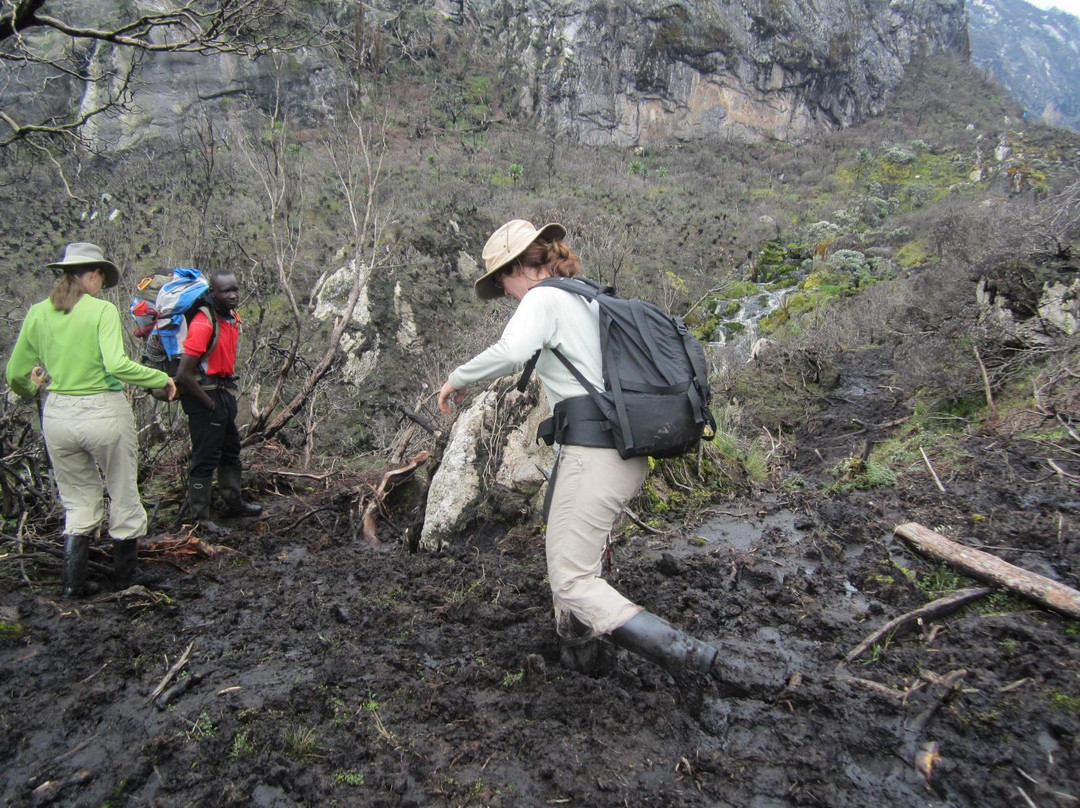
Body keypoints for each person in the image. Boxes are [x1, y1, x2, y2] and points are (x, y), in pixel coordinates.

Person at [437, 220, 725, 699]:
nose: (504, 293)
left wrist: (456, 379)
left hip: (596, 455)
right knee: (566, 553)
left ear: (518, 268)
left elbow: (513, 350)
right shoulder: (586, 298)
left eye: (501, 281)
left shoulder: (543, 299)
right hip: (615, 451)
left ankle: (687, 656)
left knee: (572, 579)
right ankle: (582, 660)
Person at [5, 242, 177, 597]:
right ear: (95, 275)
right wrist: (160, 378)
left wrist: (30, 387)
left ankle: (74, 586)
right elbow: (116, 365)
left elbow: (15, 374)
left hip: (58, 414)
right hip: (103, 411)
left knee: (79, 502)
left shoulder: (38, 313)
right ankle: (126, 581)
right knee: (123, 493)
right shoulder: (102, 310)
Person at [175, 271, 261, 529]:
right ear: (213, 293)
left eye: (235, 289)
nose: (233, 295)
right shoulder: (204, 323)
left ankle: (234, 502)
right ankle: (200, 518)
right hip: (204, 395)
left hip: (222, 392)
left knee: (231, 449)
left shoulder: (229, 318)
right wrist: (210, 405)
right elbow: (183, 375)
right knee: (205, 455)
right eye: (225, 291)